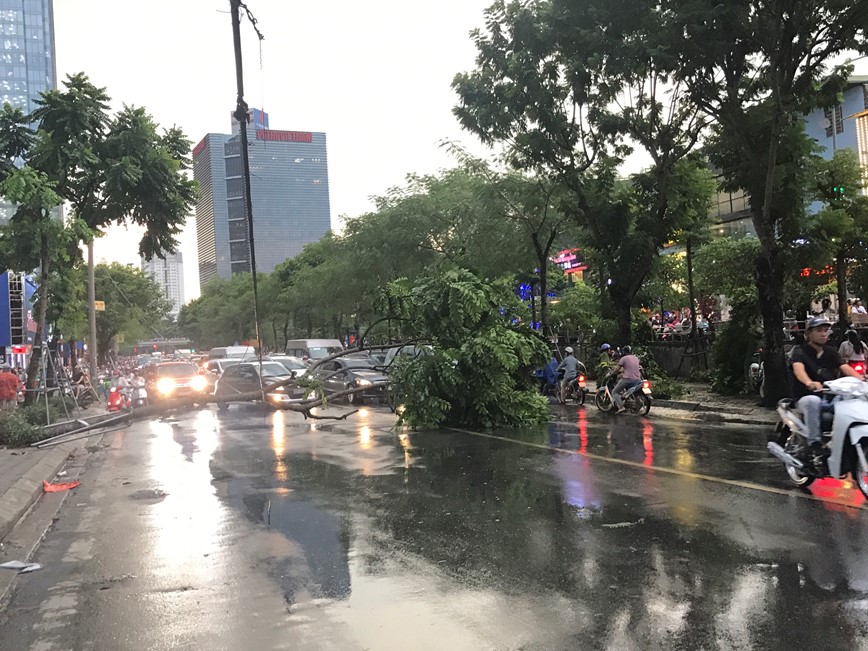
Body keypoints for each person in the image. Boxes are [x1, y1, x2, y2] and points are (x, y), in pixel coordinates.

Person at [790, 316, 864, 456]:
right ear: (809, 334)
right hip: (805, 397)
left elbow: (845, 368)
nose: (823, 333)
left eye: (825, 330)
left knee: (849, 404)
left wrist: (862, 380)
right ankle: (815, 443)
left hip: (829, 396)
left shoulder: (831, 351)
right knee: (813, 401)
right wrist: (809, 383)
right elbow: (798, 370)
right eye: (819, 330)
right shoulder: (800, 351)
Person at [611, 346, 643, 414]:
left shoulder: (624, 358)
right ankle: (637, 405)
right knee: (635, 393)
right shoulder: (636, 358)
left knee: (614, 392)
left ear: (624, 352)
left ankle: (621, 407)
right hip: (638, 379)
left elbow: (617, 369)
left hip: (628, 379)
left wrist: (612, 373)